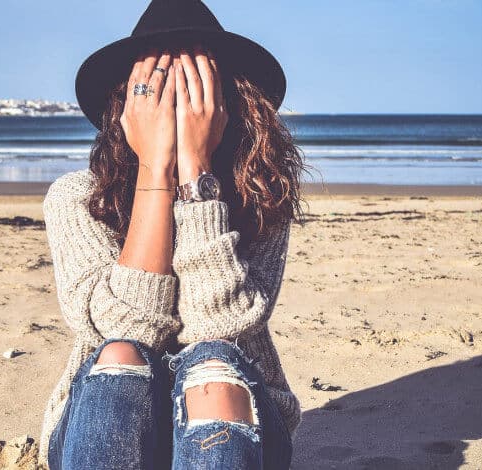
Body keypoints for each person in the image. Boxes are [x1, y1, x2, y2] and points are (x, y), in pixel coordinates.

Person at [38, 1, 313, 468]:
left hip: (235, 419)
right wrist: (154, 165)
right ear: (126, 105)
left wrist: (196, 174)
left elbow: (219, 327)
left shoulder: (260, 196)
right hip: (103, 421)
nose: (177, 103)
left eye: (195, 86)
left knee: (213, 365)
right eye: (159, 89)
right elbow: (125, 329)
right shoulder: (76, 198)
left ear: (226, 100)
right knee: (122, 353)